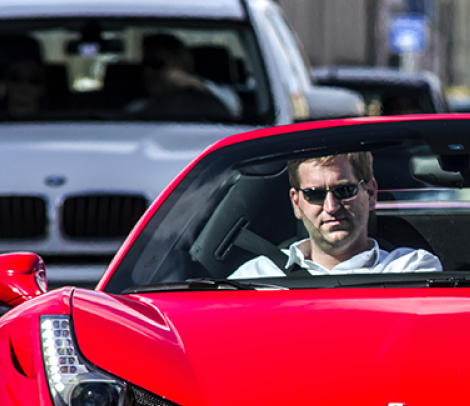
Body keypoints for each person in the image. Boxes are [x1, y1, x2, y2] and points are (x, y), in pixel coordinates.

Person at [230, 151, 442, 277]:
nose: (331, 206)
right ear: (296, 202)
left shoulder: (410, 270)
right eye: (315, 194)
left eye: (344, 190)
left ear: (370, 193)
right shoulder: (257, 276)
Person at [129, 33, 239, 120]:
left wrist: (193, 84)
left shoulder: (220, 96)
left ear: (179, 64)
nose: (147, 72)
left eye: (157, 64)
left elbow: (232, 109)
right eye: (144, 65)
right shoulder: (137, 107)